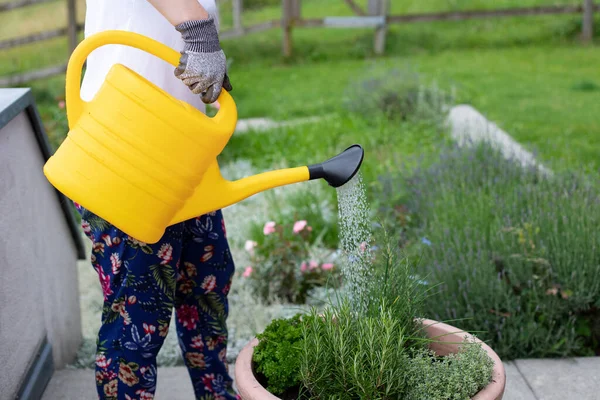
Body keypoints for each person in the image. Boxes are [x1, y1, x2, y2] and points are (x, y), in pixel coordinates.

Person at [76, 1, 237, 399]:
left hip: (181, 147)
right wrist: (200, 31)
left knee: (206, 288)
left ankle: (218, 395)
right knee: (137, 314)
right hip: (122, 150)